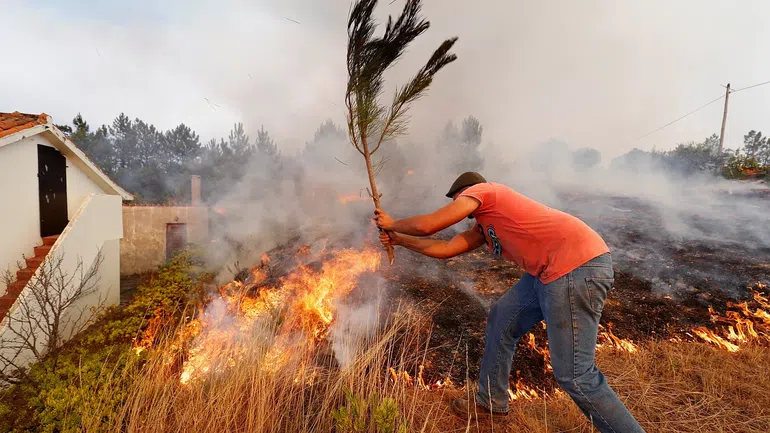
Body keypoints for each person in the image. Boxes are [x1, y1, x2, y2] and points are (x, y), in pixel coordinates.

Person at [374, 172, 645, 433]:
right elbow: (445, 249)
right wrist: (400, 240)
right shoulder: (484, 226)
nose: (459, 208)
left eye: (458, 200)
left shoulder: (485, 191)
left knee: (575, 375)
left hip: (575, 267)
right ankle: (490, 403)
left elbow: (426, 226)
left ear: (466, 192)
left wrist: (392, 223)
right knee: (502, 319)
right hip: (546, 273)